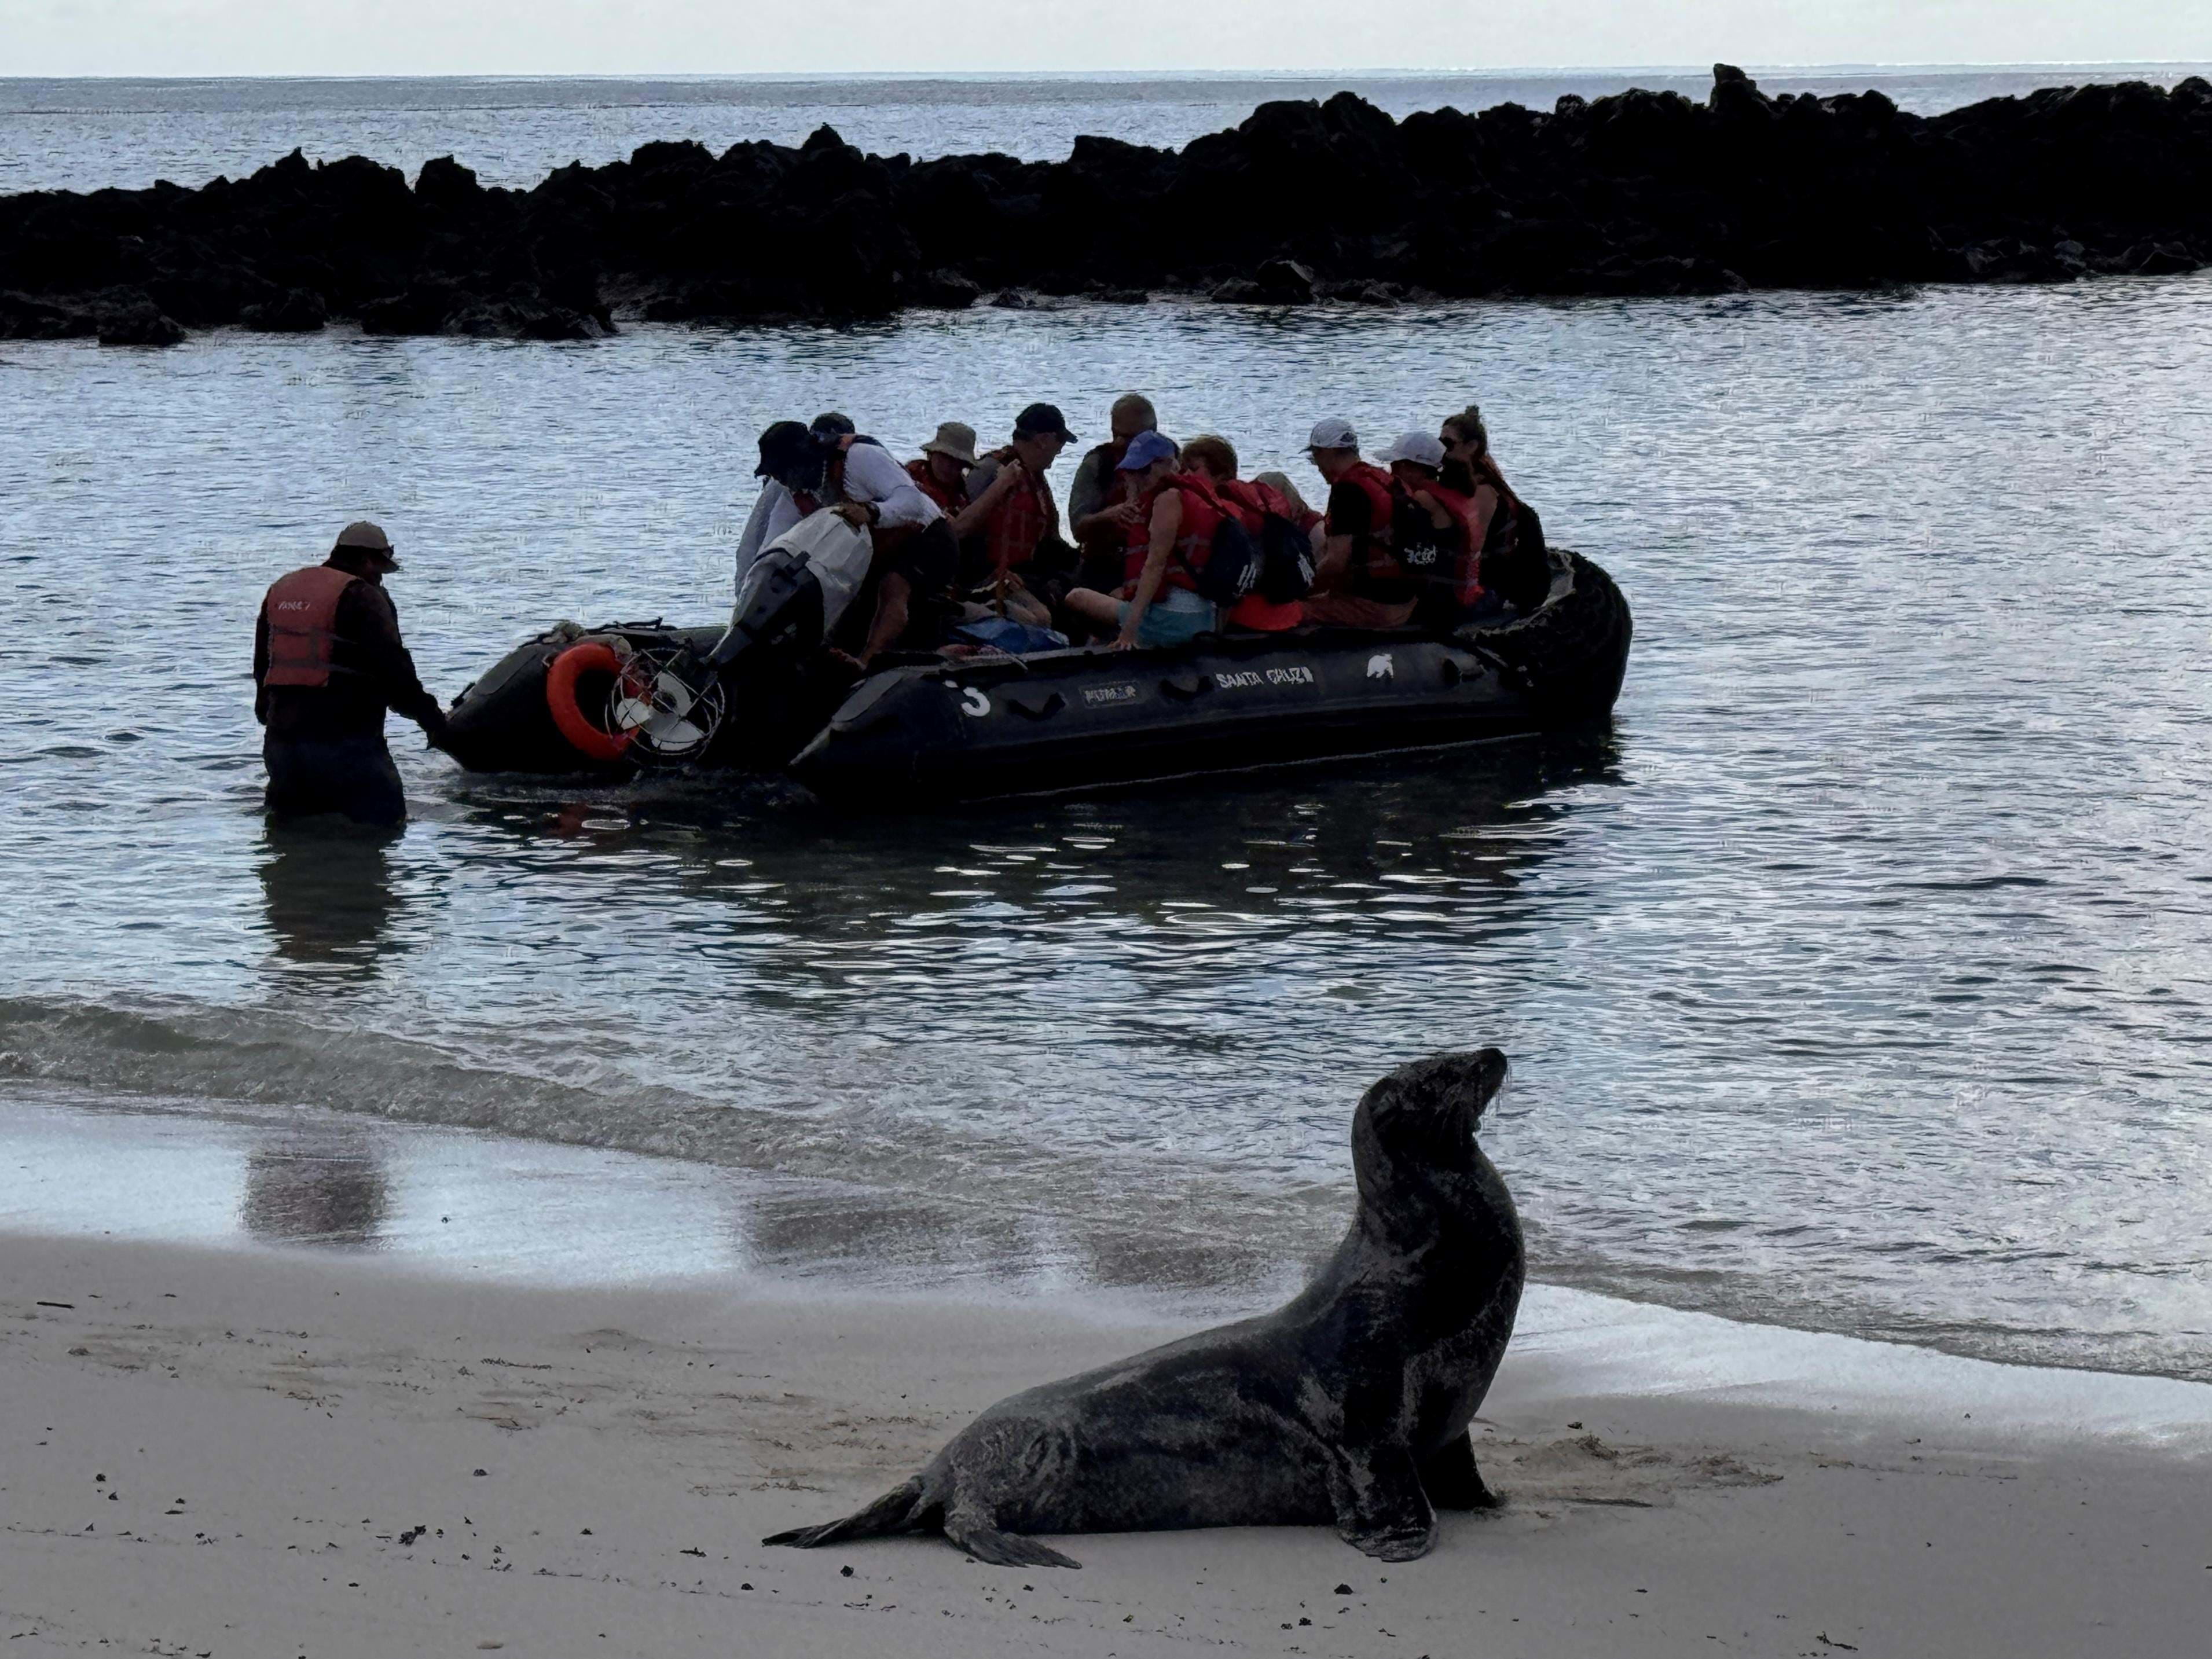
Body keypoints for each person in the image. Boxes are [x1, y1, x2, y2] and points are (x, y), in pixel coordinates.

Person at [252, 520, 448, 827]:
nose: (380, 579)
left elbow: (263, 665)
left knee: (292, 833)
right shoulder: (363, 596)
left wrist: (266, 712)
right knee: (383, 828)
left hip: (283, 746)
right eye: (380, 569)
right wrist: (434, 722)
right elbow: (395, 671)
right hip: (346, 745)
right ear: (368, 560)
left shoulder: (282, 589)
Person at [754, 417, 955, 669]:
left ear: (801, 460)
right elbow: (773, 546)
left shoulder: (861, 457)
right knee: (840, 609)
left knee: (892, 585)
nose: (781, 481)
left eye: (781, 472)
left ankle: (866, 662)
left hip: (929, 537)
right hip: (881, 552)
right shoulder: (794, 495)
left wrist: (871, 512)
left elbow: (912, 502)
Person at [1062, 430, 1222, 650]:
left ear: (1166, 465)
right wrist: (1132, 491)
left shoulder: (1167, 500)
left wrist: (1129, 632)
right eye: (1132, 471)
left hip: (1172, 620)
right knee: (1115, 593)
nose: (1136, 477)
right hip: (1202, 618)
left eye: (1142, 470)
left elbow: (1154, 566)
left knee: (1077, 597)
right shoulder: (1189, 495)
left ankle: (1110, 642)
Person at [960, 402, 1080, 629]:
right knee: (1041, 618)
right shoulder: (989, 471)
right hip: (987, 574)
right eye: (1060, 442)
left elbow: (1049, 539)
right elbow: (964, 530)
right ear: (1043, 440)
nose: (1061, 450)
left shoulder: (1036, 479)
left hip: (1029, 572)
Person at [1176, 434, 1307, 633]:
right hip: (1278, 604)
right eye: (1183, 470)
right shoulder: (1255, 501)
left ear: (1221, 475)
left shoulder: (1222, 510)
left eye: (1193, 470)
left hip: (1245, 612)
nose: (1184, 476)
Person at [1300, 418, 1417, 630]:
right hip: (1406, 599)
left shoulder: (1347, 491)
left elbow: (1336, 563)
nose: (1316, 465)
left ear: (1329, 452)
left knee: (1292, 610)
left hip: (1375, 606)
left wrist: (1299, 591)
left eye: (1316, 456)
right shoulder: (1383, 479)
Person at [1440, 404, 1550, 616]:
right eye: (1439, 443)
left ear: (1471, 446)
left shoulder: (1482, 490)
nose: (1442, 450)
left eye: (1448, 443)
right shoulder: (1471, 476)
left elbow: (1472, 548)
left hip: (1490, 587)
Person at [1379, 431, 1483, 629]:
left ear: (1412, 468)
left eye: (1396, 466)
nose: (1393, 473)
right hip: (1462, 591)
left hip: (1443, 602)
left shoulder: (1423, 498)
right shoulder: (1451, 491)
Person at [1066, 393, 1157, 586]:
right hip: (1104, 568)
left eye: (1129, 438)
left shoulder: (1169, 461)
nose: (1119, 443)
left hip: (1154, 568)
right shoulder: (1098, 463)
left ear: (1152, 432)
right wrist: (1109, 515)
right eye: (1116, 434)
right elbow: (1077, 528)